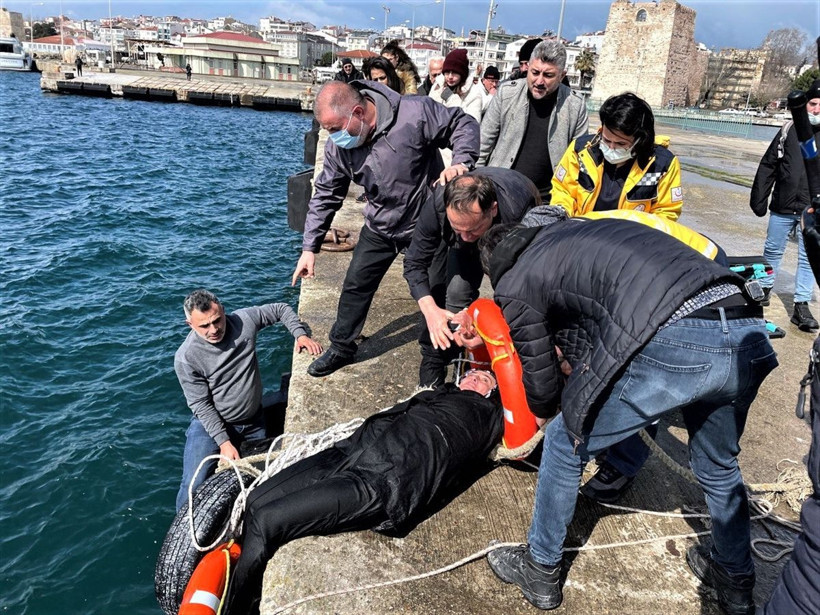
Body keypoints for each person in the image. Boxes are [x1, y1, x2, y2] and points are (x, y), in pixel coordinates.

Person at [474, 212, 777, 614]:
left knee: (566, 442)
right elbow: (606, 316)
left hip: (680, 334)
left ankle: (540, 567)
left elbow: (541, 377)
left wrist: (550, 413)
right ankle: (734, 585)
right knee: (719, 467)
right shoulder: (581, 235)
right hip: (745, 325)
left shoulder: (516, 277)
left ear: (495, 264)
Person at [223, 370, 503, 615]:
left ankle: (236, 607)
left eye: (483, 379)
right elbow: (433, 357)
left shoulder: (486, 415)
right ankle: (245, 576)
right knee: (255, 502)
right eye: (472, 374)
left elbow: (532, 408)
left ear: (490, 392)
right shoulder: (442, 391)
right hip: (347, 451)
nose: (474, 378)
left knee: (266, 521)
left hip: (379, 482)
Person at [292, 80, 480, 378]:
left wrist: (461, 162)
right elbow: (326, 194)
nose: (332, 137)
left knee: (434, 291)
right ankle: (341, 346)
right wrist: (309, 247)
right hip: (379, 225)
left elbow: (462, 123)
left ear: (358, 112)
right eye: (327, 130)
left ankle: (434, 352)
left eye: (334, 128)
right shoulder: (339, 148)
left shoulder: (414, 113)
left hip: (425, 225)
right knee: (355, 285)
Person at [174, 289, 322, 511]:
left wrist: (299, 334)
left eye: (217, 320)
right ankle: (186, 540)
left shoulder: (244, 320)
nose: (214, 330)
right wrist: (224, 442)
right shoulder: (186, 357)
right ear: (189, 324)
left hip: (254, 421)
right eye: (204, 326)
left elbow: (280, 309)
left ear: (223, 311)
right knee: (193, 484)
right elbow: (200, 405)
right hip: (212, 426)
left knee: (257, 481)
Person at [404, 168, 540, 386]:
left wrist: (477, 314)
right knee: (453, 296)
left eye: (472, 230)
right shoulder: (439, 203)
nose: (466, 238)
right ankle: (442, 360)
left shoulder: (519, 212)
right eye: (457, 228)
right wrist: (431, 311)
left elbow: (520, 285)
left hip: (510, 235)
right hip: (467, 229)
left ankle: (486, 366)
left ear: (493, 210)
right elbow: (414, 262)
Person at [749, 79, 820, 332]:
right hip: (783, 204)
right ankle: (765, 287)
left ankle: (801, 305)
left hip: (811, 211)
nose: (816, 110)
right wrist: (759, 197)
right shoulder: (788, 130)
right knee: (773, 249)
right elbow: (770, 163)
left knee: (808, 258)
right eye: (812, 104)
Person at [478, 40, 588, 200]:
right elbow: (483, 143)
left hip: (548, 200)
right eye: (535, 73)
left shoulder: (575, 105)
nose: (539, 81)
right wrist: (477, 183)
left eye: (548, 75)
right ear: (528, 67)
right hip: (500, 191)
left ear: (561, 76)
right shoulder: (506, 94)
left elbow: (580, 158)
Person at [551, 92, 683, 222]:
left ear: (640, 140)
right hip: (580, 232)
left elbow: (666, 212)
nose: (611, 148)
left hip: (628, 240)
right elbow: (563, 190)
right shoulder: (581, 150)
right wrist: (562, 214)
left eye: (621, 143)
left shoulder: (662, 165)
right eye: (607, 140)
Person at [429, 48, 484, 123]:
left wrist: (452, 100)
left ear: (462, 74)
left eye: (455, 72)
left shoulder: (473, 93)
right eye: (447, 72)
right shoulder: (437, 86)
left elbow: (472, 125)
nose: (450, 76)